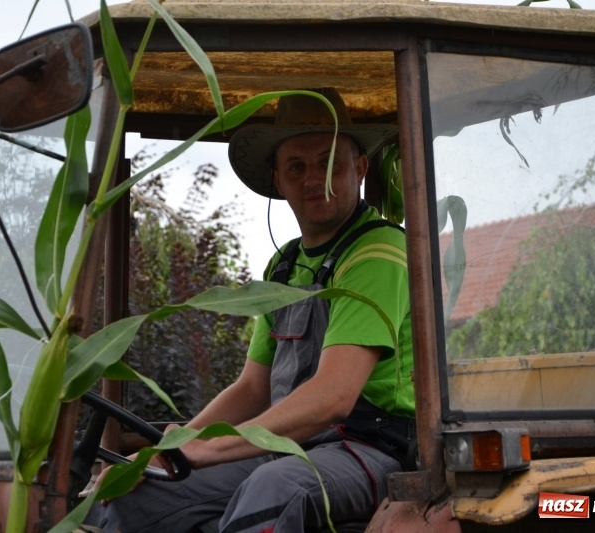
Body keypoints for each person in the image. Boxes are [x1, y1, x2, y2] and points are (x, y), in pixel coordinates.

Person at [84, 88, 415, 533]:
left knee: (274, 491)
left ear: (358, 170)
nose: (313, 177)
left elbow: (335, 396)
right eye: (296, 166)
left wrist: (210, 449)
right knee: (136, 496)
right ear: (278, 180)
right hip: (291, 446)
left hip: (371, 448)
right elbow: (253, 389)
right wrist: (173, 446)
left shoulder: (377, 251)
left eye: (329, 162)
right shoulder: (284, 266)